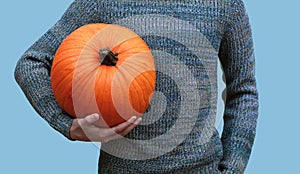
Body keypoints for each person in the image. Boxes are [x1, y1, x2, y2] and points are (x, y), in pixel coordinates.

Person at [14, 0, 259, 173]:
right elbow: (31, 62)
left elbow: (243, 90)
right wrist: (66, 124)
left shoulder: (224, 4)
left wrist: (232, 168)